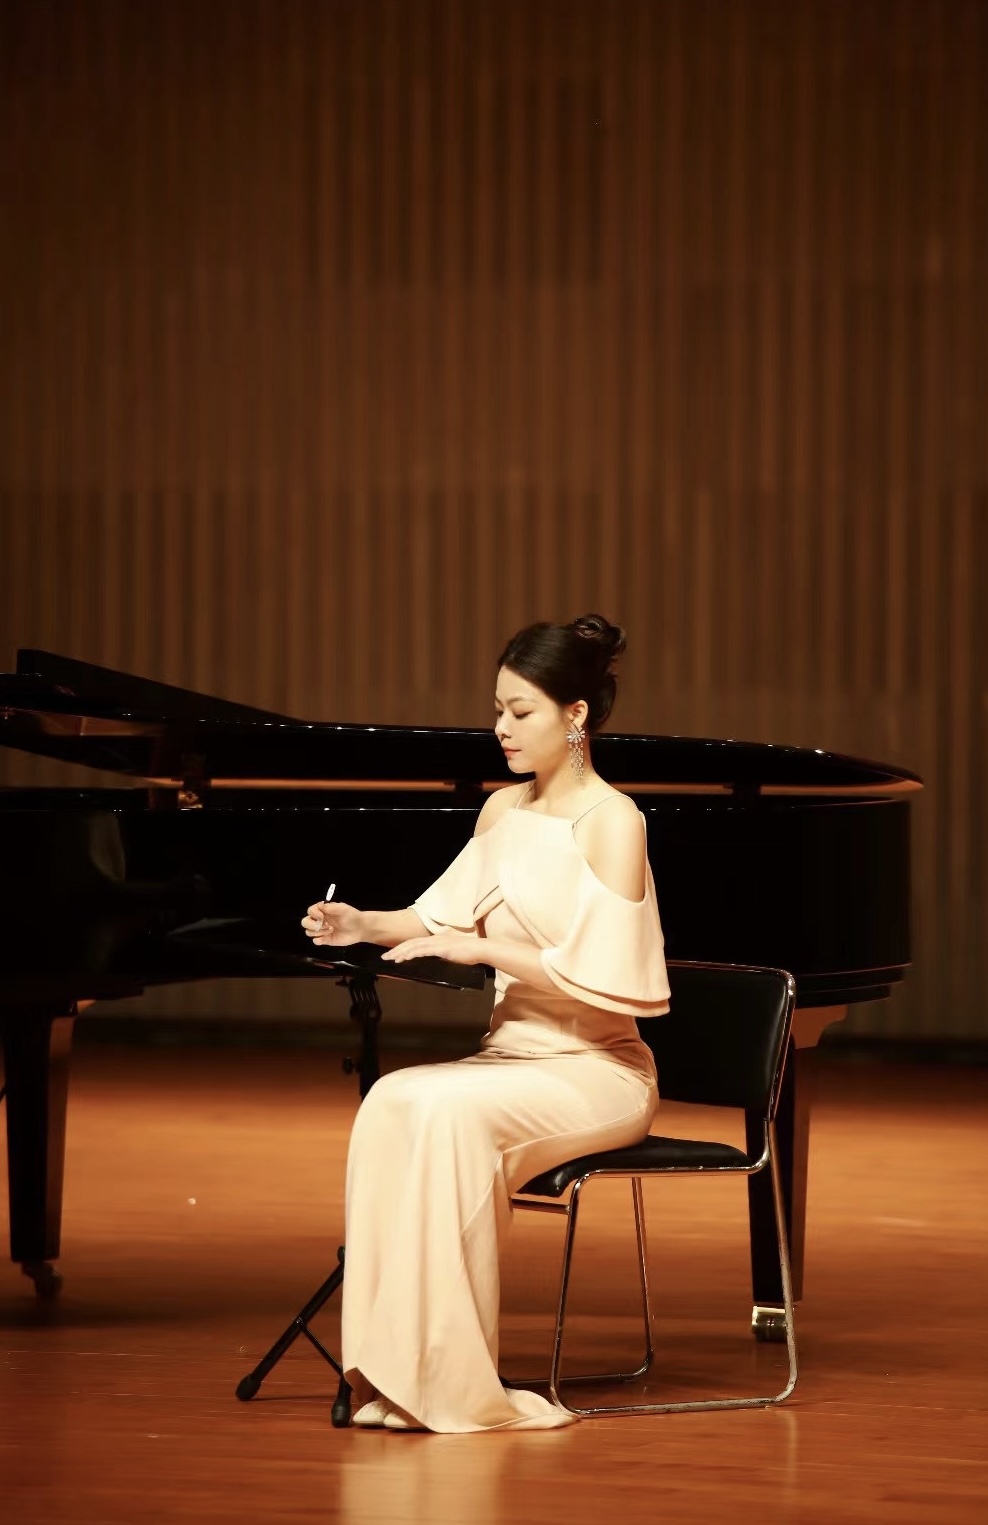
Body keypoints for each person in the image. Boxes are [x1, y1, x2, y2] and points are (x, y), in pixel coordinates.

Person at [301, 614, 671, 1433]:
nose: (501, 726)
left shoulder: (614, 821)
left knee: (447, 1112)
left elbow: (612, 983)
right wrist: (360, 923)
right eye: (497, 708)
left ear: (576, 714)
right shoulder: (502, 810)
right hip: (510, 1059)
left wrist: (481, 947)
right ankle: (397, 1374)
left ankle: (454, 1383)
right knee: (394, 1099)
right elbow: (434, 916)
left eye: (521, 710)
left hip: (596, 1068)